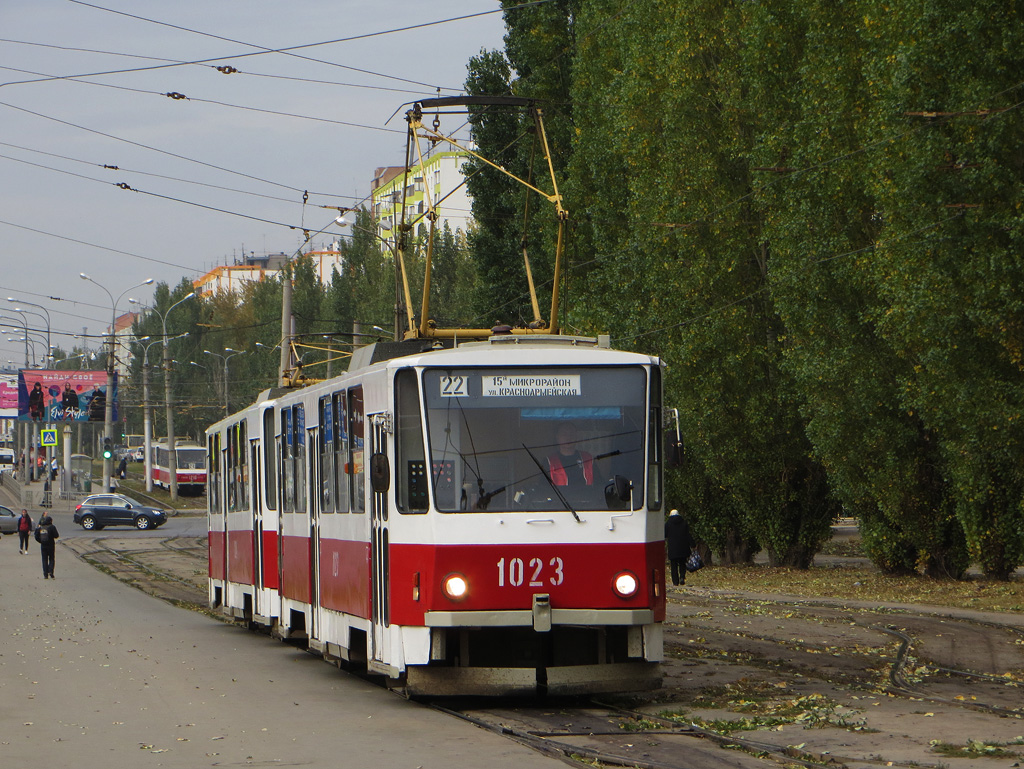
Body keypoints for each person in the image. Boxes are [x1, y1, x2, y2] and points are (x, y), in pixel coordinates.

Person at [547, 423, 594, 488]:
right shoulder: (549, 462)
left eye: (571, 434)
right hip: (559, 497)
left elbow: (598, 484)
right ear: (557, 437)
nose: (568, 437)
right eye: (564, 434)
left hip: (585, 497)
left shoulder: (587, 459)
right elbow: (544, 490)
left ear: (576, 436)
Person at [665, 508, 695, 587]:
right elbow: (688, 535)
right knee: (682, 563)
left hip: (673, 548)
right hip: (683, 547)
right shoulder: (684, 523)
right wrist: (693, 544)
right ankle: (682, 577)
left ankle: (675, 581)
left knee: (674, 565)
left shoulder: (668, 523)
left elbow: (665, 534)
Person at [34, 513, 59, 579]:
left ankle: (45, 574)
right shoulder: (52, 527)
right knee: (51, 558)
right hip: (51, 545)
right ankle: (51, 571)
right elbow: (56, 535)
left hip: (43, 545)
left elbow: (36, 536)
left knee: (44, 559)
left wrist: (41, 541)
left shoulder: (41, 527)